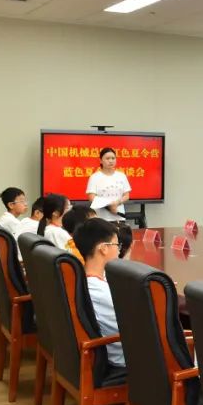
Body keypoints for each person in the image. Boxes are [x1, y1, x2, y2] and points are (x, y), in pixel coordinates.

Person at [73, 218, 125, 367]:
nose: (119, 250)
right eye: (117, 245)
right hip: (124, 357)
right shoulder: (101, 292)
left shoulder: (84, 280)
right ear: (103, 248)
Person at [85, 147, 131, 223]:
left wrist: (117, 203)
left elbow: (126, 196)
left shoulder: (121, 176)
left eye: (113, 158)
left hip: (119, 217)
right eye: (107, 158)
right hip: (100, 218)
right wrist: (109, 206)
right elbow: (91, 197)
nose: (111, 161)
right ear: (100, 160)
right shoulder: (94, 177)